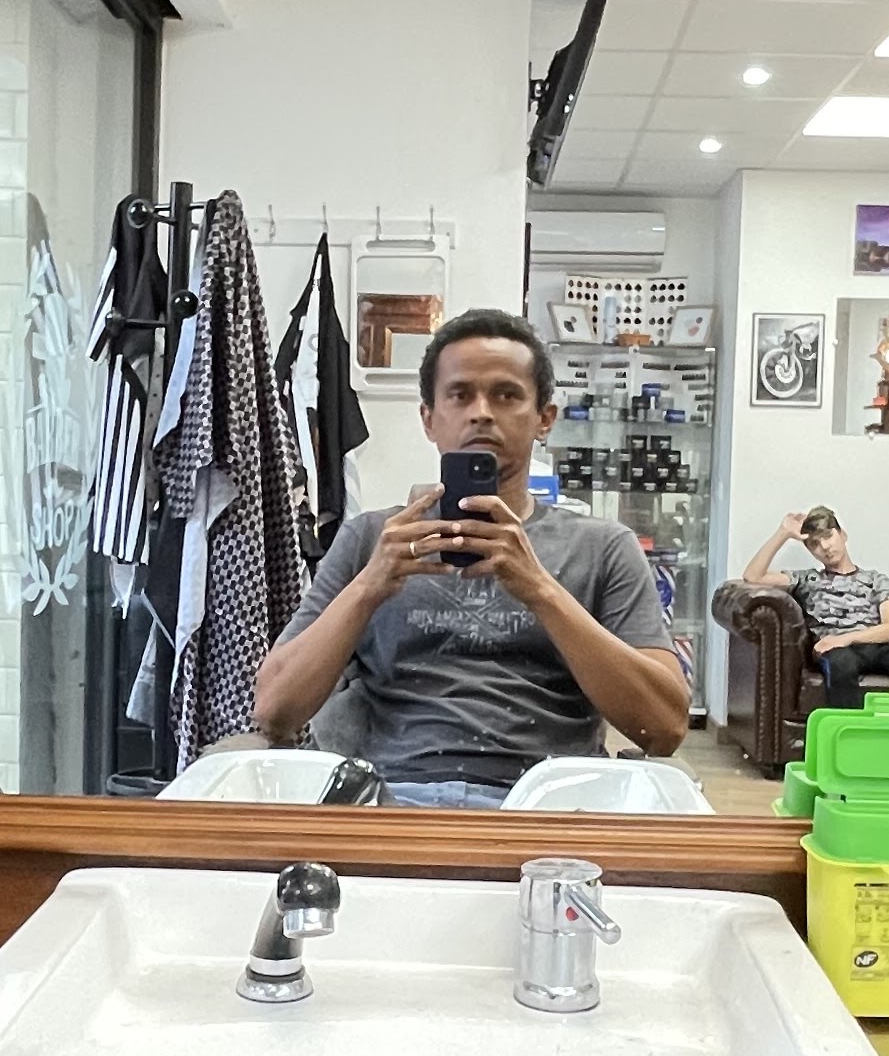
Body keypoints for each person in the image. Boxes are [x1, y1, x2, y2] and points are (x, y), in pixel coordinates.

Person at [255, 307, 690, 806]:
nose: (481, 412)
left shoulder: (603, 548)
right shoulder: (372, 539)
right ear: (428, 419)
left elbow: (664, 728)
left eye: (506, 395)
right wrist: (368, 588)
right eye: (460, 395)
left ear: (544, 419)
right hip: (385, 803)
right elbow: (274, 711)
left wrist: (541, 591)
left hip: (543, 806)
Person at [742, 504, 889, 708]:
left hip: (874, 646)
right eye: (815, 544)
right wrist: (783, 533)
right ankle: (851, 729)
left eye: (828, 536)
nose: (825, 547)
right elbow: (752, 576)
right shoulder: (807, 579)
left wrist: (844, 639)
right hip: (835, 653)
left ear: (842, 535)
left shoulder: (875, 580)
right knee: (842, 665)